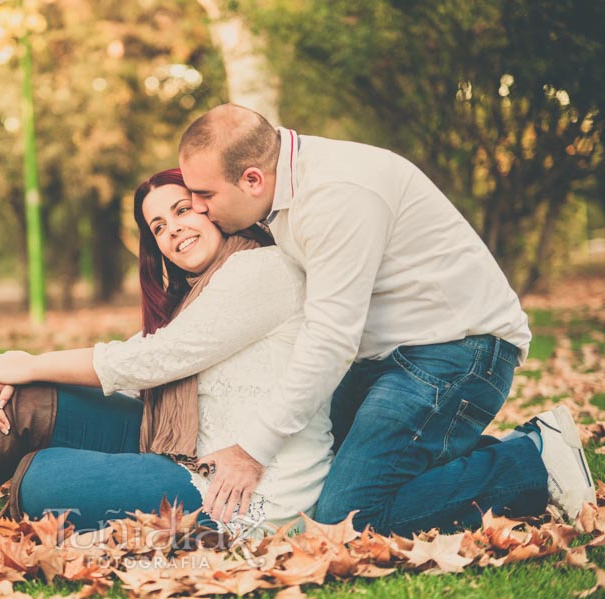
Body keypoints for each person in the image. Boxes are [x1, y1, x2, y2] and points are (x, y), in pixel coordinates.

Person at [0, 169, 332, 549]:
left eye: (182, 210)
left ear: (212, 207)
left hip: (246, 492)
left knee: (39, 476)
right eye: (158, 227)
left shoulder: (259, 271)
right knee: (27, 407)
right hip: (191, 448)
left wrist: (26, 361)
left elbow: (155, 360)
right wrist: (21, 382)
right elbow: (144, 370)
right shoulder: (207, 288)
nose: (173, 232)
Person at [176, 103, 595, 535]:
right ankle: (510, 450)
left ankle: (532, 464)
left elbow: (330, 340)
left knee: (346, 520)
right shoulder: (285, 183)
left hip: (458, 353)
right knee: (316, 479)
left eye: (204, 195)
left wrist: (250, 452)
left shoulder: (335, 194)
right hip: (387, 358)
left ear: (252, 179)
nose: (196, 208)